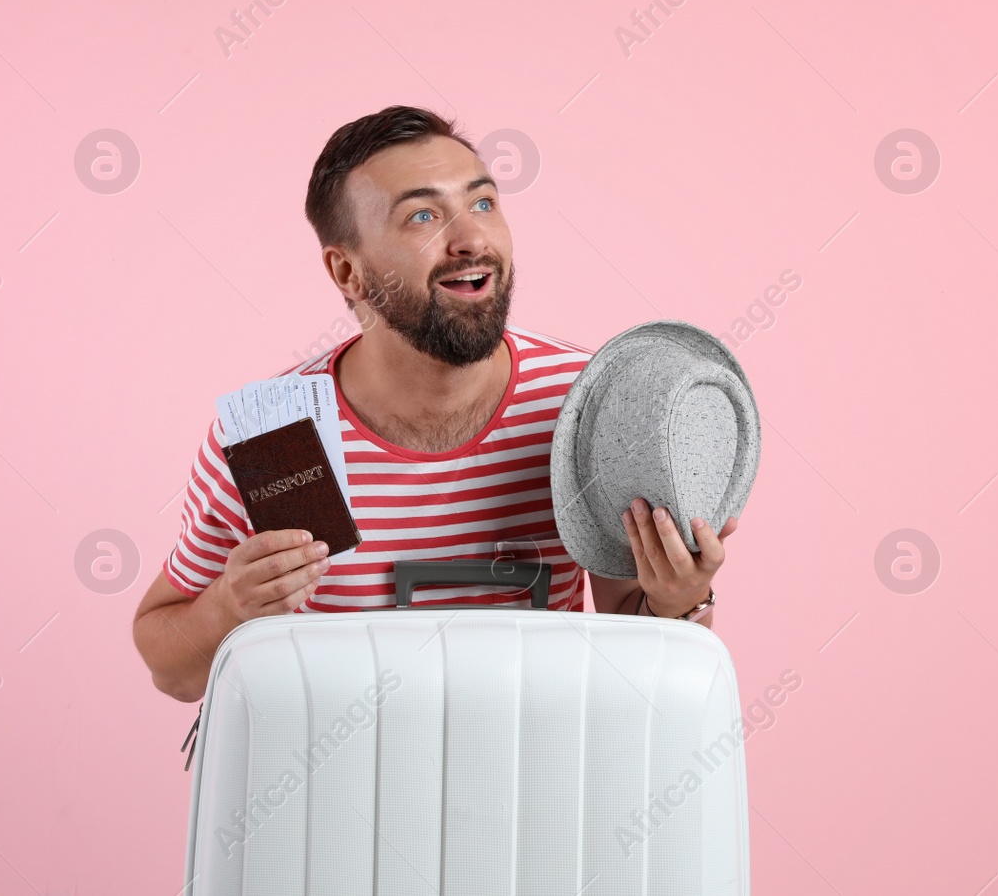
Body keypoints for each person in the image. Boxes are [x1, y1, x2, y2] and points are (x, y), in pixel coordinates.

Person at [132, 106, 735, 703]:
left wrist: (680, 599)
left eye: (483, 203)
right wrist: (227, 610)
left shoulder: (586, 402)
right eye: (422, 215)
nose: (471, 239)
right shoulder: (278, 434)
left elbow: (631, 644)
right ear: (348, 271)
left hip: (535, 777)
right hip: (341, 785)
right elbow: (172, 671)